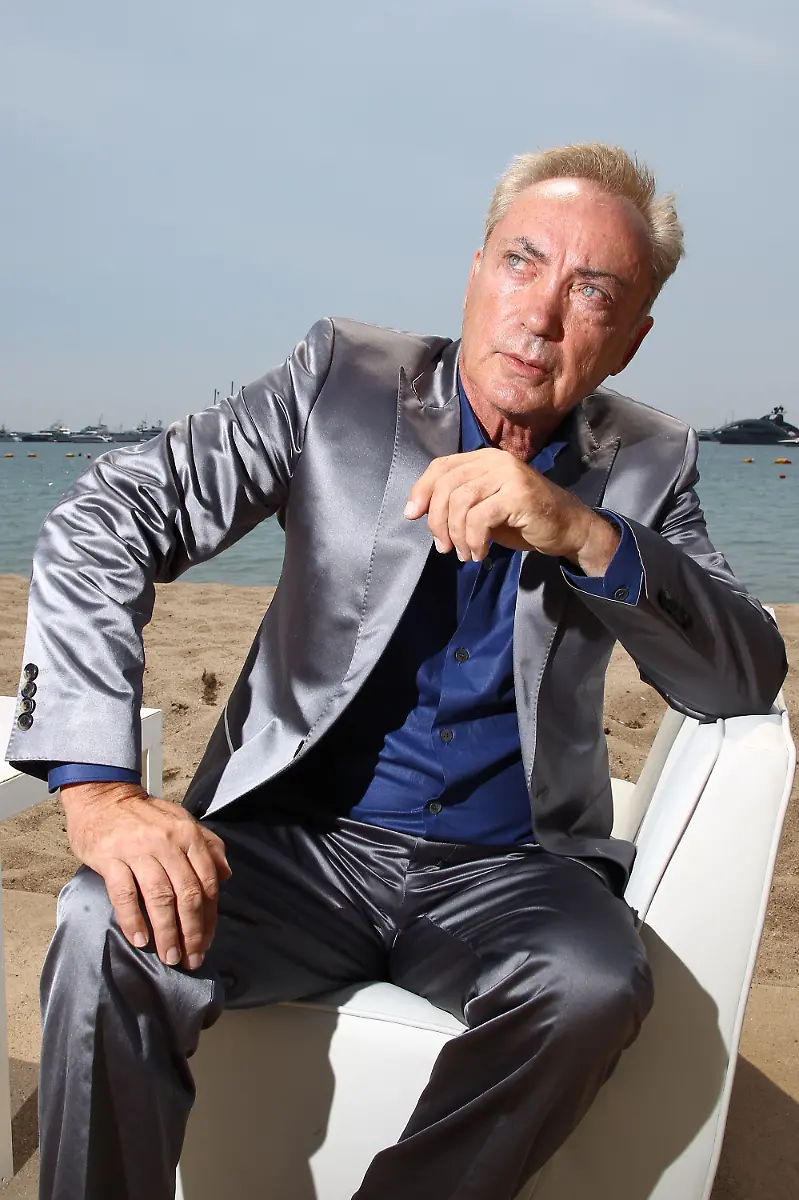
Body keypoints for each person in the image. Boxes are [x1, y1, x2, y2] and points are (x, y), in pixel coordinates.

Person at [7, 144, 787, 1200]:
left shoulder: (649, 461)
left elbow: (743, 674)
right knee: (106, 924)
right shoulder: (340, 377)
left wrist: (583, 534)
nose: (543, 314)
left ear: (630, 336)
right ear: (473, 271)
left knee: (595, 984)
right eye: (522, 263)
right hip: (291, 845)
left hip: (510, 870)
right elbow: (107, 520)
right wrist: (99, 794)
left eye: (591, 291)